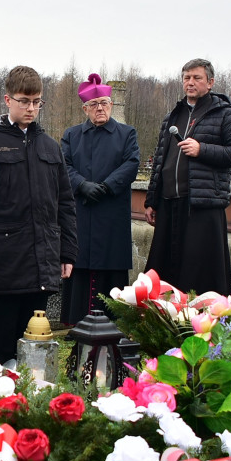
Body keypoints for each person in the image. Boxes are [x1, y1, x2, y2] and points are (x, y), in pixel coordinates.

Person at [0, 66, 78, 365]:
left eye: (36, 101)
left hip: (43, 256)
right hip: (6, 257)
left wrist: (67, 252)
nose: (30, 108)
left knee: (35, 333)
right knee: (4, 333)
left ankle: (32, 384)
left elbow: (65, 203)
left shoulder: (50, 146)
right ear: (8, 100)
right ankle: (1, 381)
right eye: (24, 101)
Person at [143, 58, 231, 295]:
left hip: (202, 205)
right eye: (186, 78)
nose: (190, 82)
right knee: (164, 273)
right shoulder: (172, 116)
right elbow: (160, 160)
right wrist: (151, 200)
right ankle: (164, 315)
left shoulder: (225, 114)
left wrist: (202, 150)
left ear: (210, 82)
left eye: (196, 78)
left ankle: (202, 314)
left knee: (199, 274)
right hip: (169, 204)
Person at [60, 74, 140, 325]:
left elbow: (131, 164)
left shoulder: (127, 133)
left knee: (110, 268)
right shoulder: (72, 135)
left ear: (111, 105)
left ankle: (112, 324)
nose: (100, 108)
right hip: (82, 212)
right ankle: (77, 322)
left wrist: (106, 187)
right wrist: (82, 185)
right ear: (85, 108)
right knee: (80, 266)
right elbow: (63, 165)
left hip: (111, 213)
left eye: (104, 103)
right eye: (94, 105)